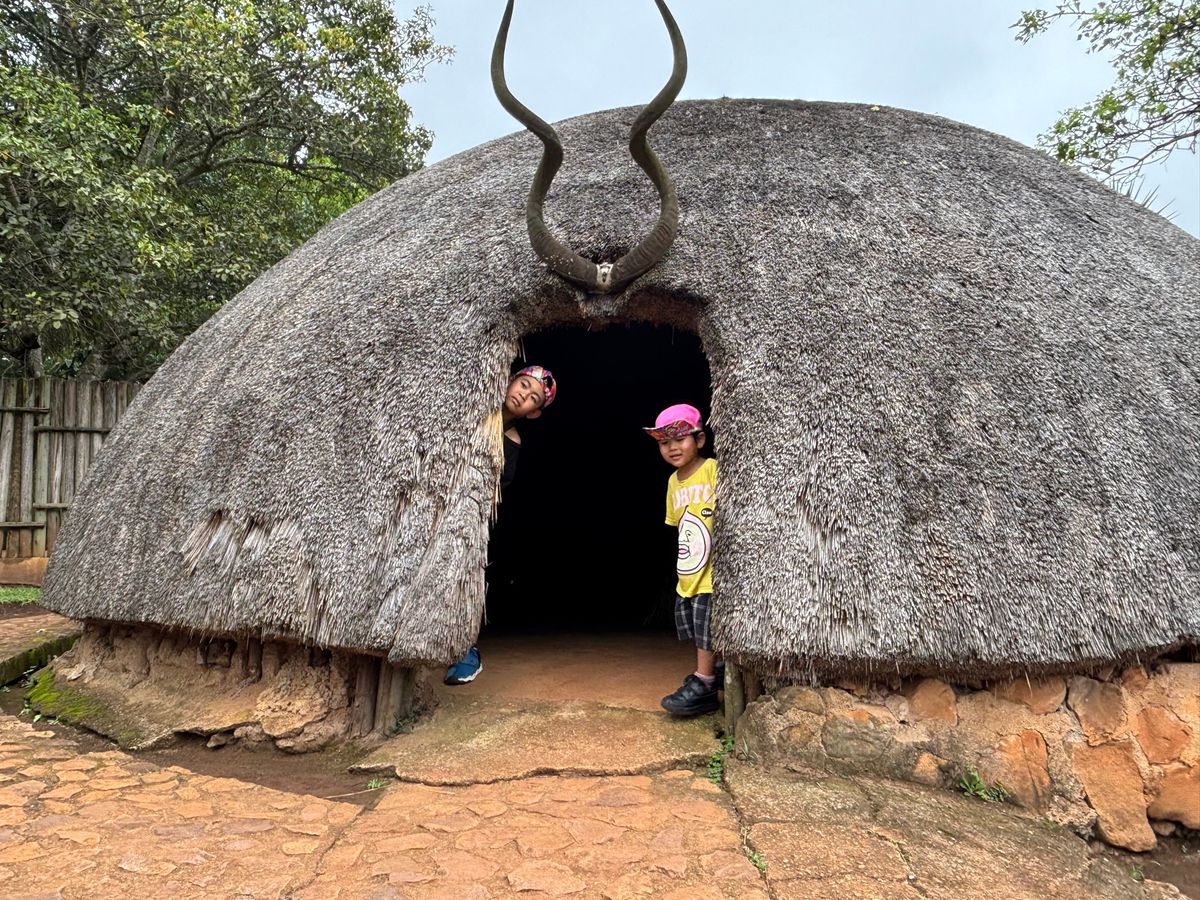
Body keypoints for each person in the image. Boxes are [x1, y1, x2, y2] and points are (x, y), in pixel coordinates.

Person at [444, 364, 557, 685]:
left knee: (466, 575)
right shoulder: (473, 407)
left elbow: (496, 488)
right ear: (509, 381)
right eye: (523, 385)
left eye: (534, 397)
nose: (524, 395)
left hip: (466, 516)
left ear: (534, 411)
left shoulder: (513, 441)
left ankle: (465, 649)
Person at [645, 403, 721, 716]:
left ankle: (704, 683)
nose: (672, 447)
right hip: (690, 568)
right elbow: (680, 528)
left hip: (714, 568)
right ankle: (712, 673)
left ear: (700, 440)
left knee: (706, 627)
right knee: (696, 626)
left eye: (680, 438)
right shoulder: (673, 483)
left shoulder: (713, 469)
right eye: (664, 442)